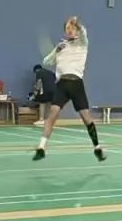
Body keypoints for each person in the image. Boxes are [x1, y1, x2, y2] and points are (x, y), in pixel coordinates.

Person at [33, 16, 105, 162]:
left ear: (76, 30)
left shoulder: (82, 43)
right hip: (62, 85)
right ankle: (41, 148)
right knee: (52, 115)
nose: (70, 30)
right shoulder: (61, 46)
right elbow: (46, 61)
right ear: (64, 31)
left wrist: (77, 23)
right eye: (67, 28)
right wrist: (56, 50)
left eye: (72, 28)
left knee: (86, 118)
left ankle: (97, 147)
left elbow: (83, 32)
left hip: (76, 84)